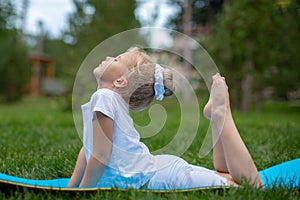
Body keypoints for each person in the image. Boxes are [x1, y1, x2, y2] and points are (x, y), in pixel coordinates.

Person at [67, 47, 262, 189]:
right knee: (224, 174)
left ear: (120, 81)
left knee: (251, 186)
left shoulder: (103, 97)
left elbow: (101, 155)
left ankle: (221, 113)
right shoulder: (105, 99)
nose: (109, 56)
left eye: (116, 59)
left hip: (160, 176)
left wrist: (83, 191)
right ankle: (216, 117)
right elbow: (88, 149)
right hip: (156, 169)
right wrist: (71, 188)